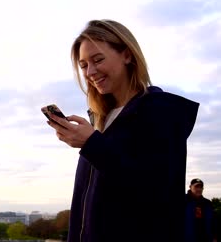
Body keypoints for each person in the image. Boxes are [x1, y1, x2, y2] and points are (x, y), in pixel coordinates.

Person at [46, 19, 199, 242]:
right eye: (83, 65)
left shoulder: (160, 111)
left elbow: (158, 192)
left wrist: (92, 145)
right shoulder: (101, 120)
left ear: (127, 55)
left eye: (98, 60)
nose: (90, 71)